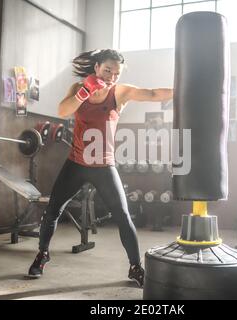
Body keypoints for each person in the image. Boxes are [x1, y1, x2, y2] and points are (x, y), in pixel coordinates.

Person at [28, 49, 173, 287]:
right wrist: (86, 91)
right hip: (76, 163)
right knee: (53, 209)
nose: (111, 77)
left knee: (124, 216)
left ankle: (135, 267)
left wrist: (183, 89)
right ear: (96, 67)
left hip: (104, 166)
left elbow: (152, 93)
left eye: (116, 73)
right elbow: (62, 111)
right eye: (107, 70)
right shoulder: (77, 89)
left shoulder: (120, 92)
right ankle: (42, 254)